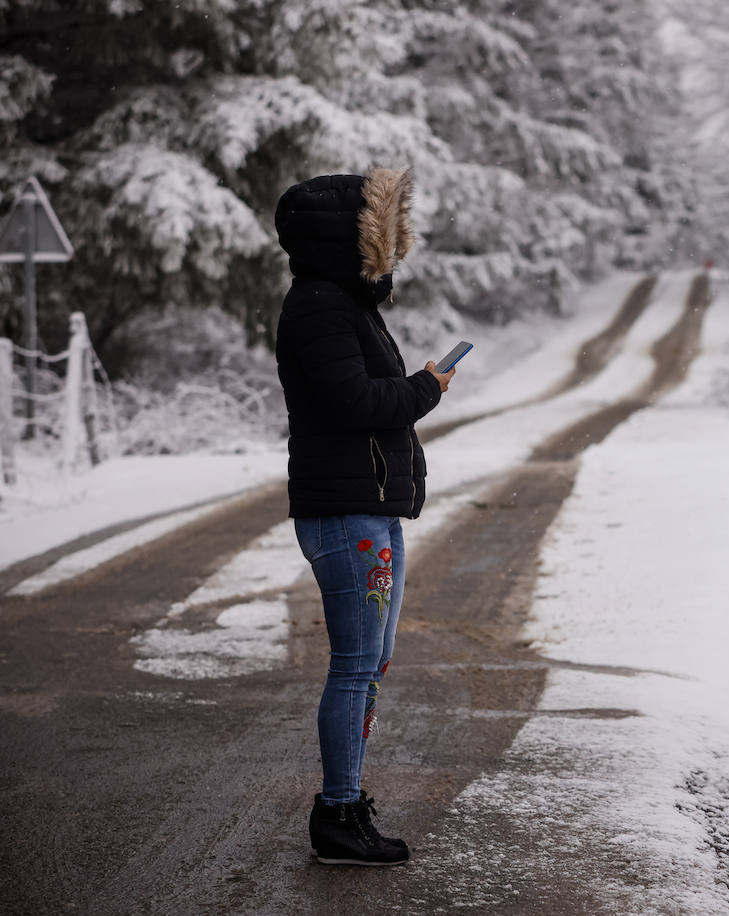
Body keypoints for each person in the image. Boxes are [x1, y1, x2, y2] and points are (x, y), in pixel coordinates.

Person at [274, 168, 455, 866]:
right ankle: (337, 811)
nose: (386, 246)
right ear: (347, 236)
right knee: (354, 666)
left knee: (371, 662)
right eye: (375, 232)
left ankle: (346, 801)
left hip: (371, 512)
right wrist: (425, 388)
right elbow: (356, 405)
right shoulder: (318, 307)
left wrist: (414, 389)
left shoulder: (345, 305)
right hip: (345, 514)